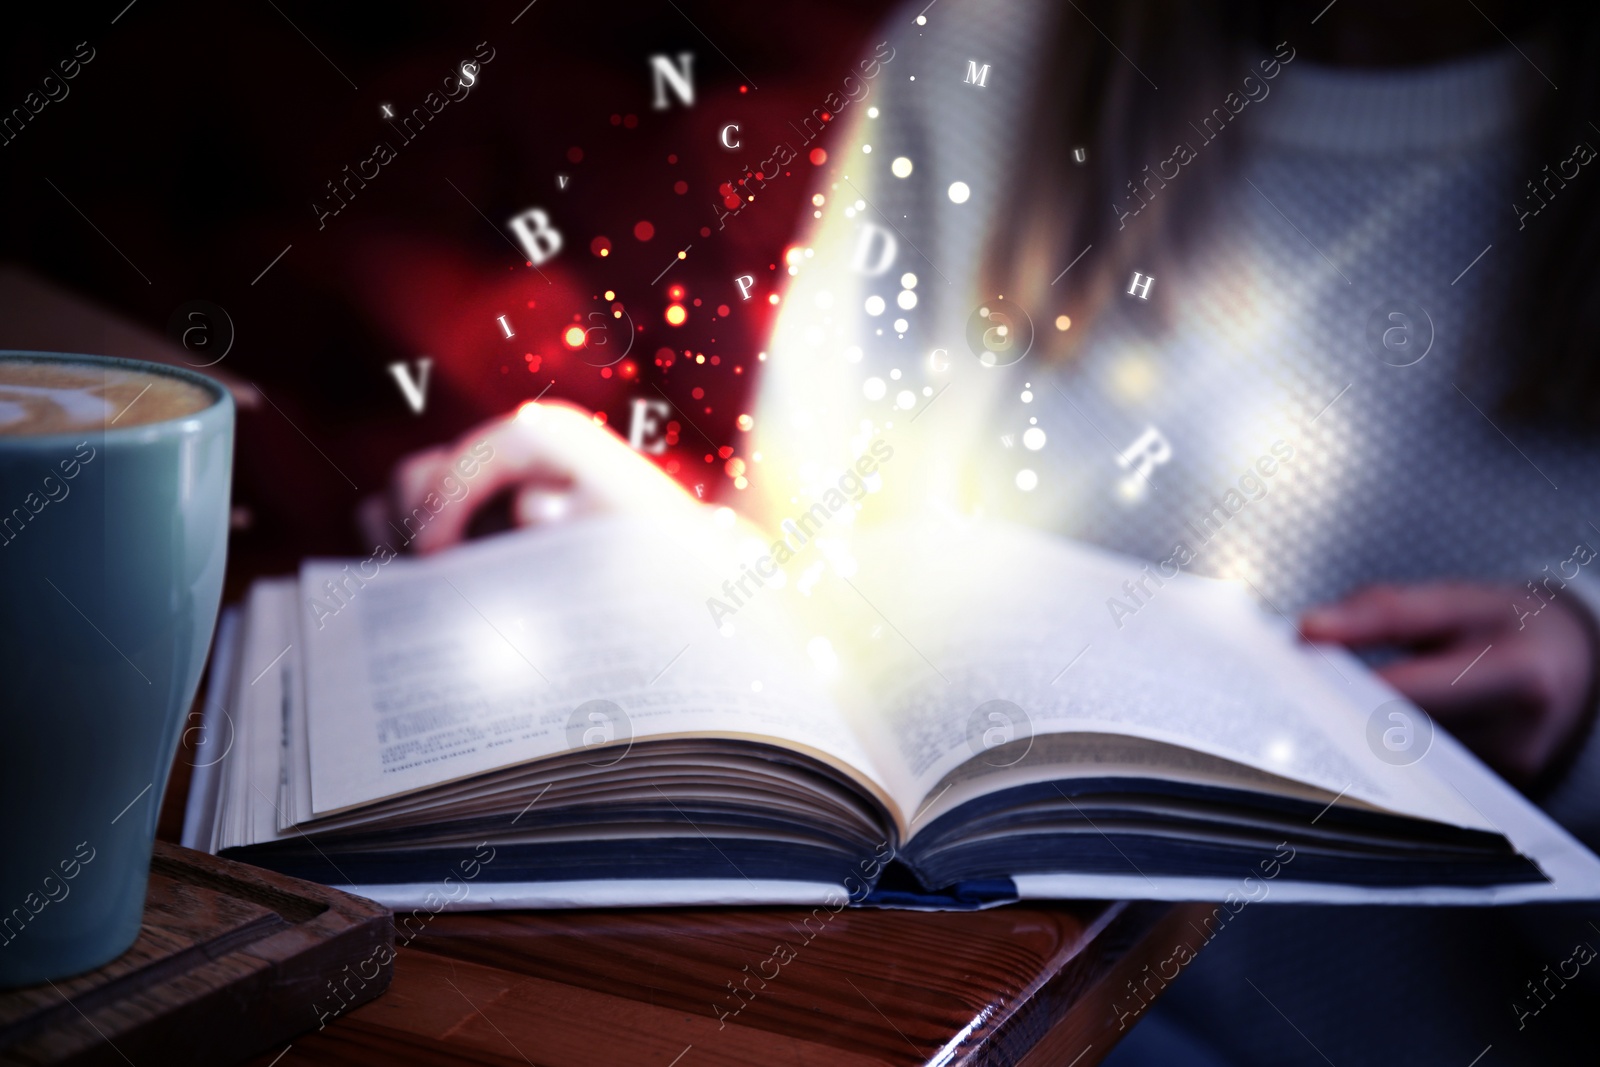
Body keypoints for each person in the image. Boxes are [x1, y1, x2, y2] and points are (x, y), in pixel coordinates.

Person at [366, 0, 1600, 1060]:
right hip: (932, 1007)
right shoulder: (980, 48)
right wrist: (656, 559)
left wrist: (1586, 680)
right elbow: (822, 561)